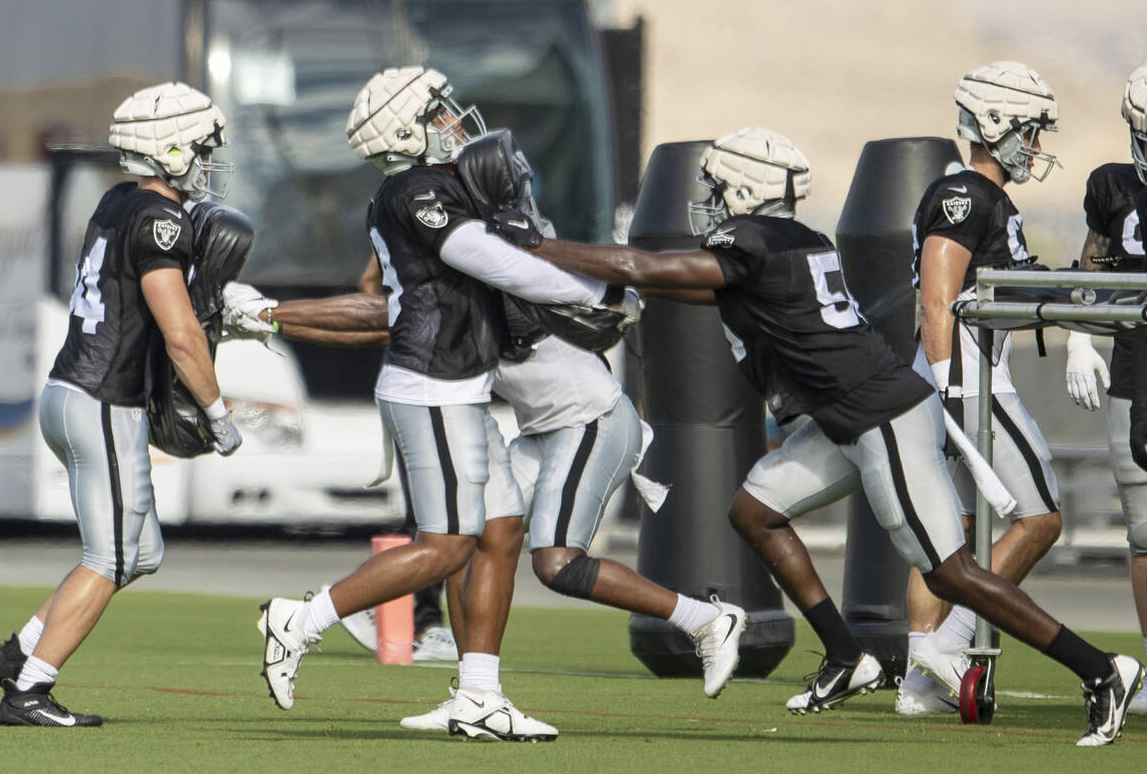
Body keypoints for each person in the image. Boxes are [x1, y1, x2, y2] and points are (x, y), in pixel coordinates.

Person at [490, 125, 1145, 746]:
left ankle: (1100, 669)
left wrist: (538, 249)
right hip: (847, 416)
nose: (709, 201)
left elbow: (644, 265)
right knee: (755, 511)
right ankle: (845, 653)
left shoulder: (749, 240)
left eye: (717, 187)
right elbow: (696, 285)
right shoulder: (794, 239)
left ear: (744, 188)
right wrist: (611, 284)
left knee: (952, 574)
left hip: (880, 415)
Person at [254, 65, 635, 742]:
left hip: (460, 384)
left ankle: (479, 696)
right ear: (406, 131)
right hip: (432, 383)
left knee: (499, 533)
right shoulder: (416, 190)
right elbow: (491, 260)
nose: (453, 119)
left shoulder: (427, 186)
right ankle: (301, 620)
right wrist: (594, 293)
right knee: (447, 544)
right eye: (436, 111)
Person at [0, 82, 242, 727]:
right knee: (111, 557)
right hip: (103, 401)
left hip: (67, 393)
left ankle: (20, 651)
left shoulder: (118, 200)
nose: (209, 160)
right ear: (172, 149)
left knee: (140, 552)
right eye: (203, 148)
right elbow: (180, 335)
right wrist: (218, 413)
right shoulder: (162, 220)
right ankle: (29, 691)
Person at [897, 61, 1068, 715]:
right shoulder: (964, 195)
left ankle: (920, 685)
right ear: (996, 123)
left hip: (955, 378)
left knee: (951, 534)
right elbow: (937, 301)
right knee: (1040, 518)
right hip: (968, 381)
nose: (1036, 145)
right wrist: (950, 392)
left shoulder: (982, 196)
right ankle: (951, 647)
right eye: (1029, 130)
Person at [1067, 63, 1147, 717]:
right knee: (1145, 530)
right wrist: (1077, 337)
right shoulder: (1112, 186)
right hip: (1135, 369)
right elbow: (1090, 269)